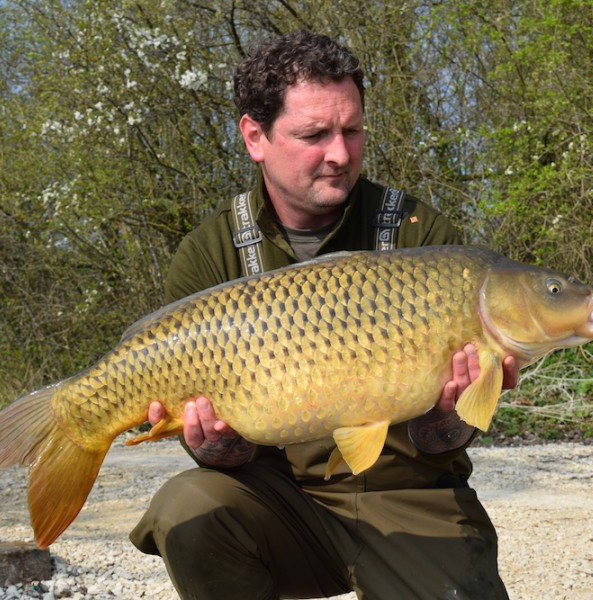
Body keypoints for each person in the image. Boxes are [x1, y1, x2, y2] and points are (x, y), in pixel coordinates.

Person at [130, 30, 517, 599]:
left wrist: (453, 413)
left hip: (411, 497)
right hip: (282, 504)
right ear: (255, 137)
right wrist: (210, 442)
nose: (340, 154)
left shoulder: (423, 238)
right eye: (315, 135)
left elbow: (445, 443)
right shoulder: (211, 252)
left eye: (352, 131)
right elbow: (222, 457)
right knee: (188, 504)